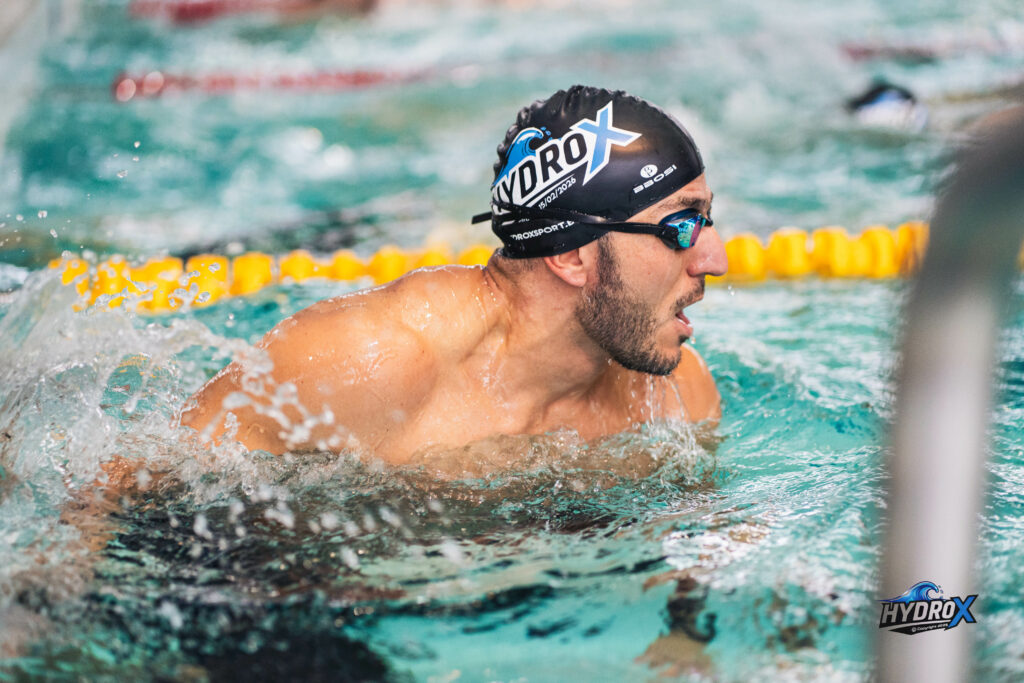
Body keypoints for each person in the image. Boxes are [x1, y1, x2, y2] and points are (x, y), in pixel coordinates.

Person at [180, 85, 728, 464]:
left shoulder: (677, 397)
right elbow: (147, 492)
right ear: (570, 256)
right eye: (680, 227)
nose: (715, 259)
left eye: (706, 220)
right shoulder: (366, 364)